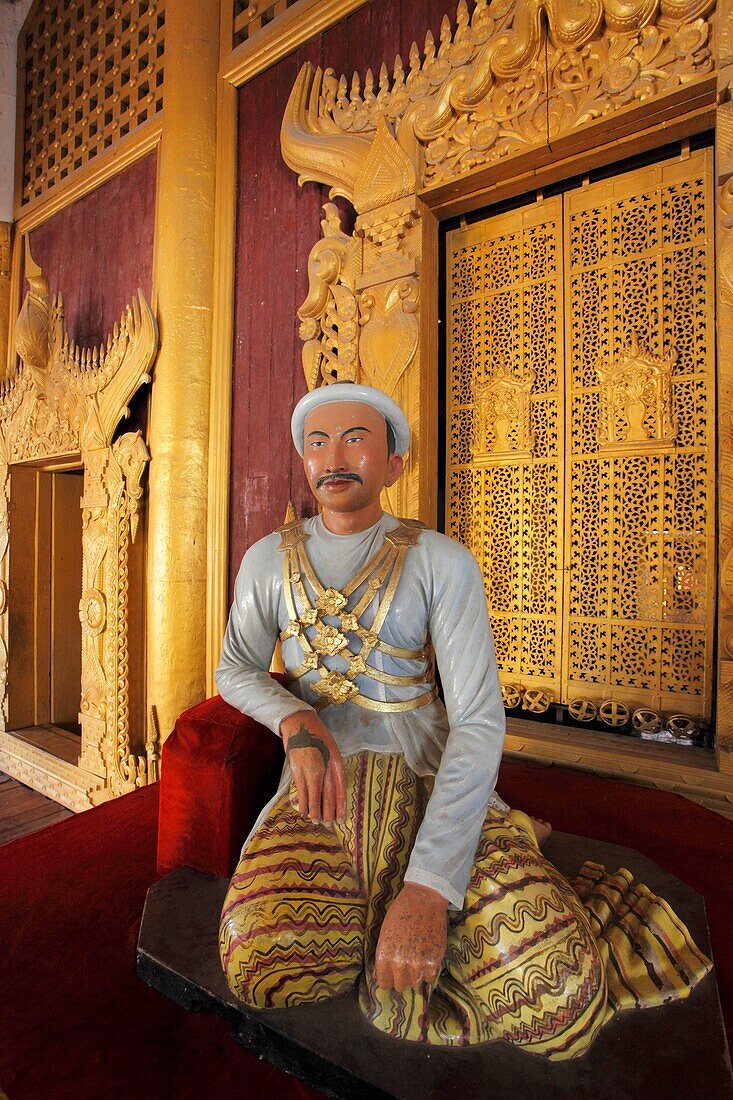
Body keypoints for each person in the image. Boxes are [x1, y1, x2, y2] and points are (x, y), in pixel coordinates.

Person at [216, 382, 710, 1058]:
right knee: (262, 966)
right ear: (303, 461)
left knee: (557, 1001)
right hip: (322, 793)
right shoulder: (266, 560)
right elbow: (234, 668)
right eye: (316, 442)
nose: (333, 456)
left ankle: (498, 854)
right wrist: (295, 718)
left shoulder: (439, 561)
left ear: (393, 463)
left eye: (355, 438)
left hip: (426, 778)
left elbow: (477, 721)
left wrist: (427, 886)